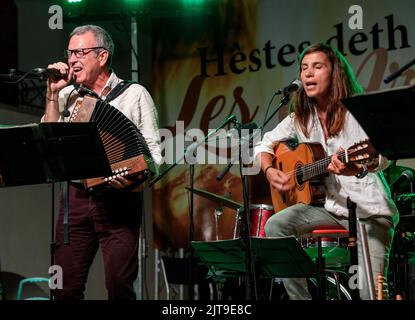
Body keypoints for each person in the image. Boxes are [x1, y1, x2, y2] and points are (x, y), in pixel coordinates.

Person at [254, 43, 398, 300]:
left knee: (370, 294)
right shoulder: (301, 117)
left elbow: (383, 156)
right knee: (275, 225)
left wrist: (356, 168)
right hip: (329, 209)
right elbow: (264, 143)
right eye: (304, 68)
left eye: (317, 67)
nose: (308, 74)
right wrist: (268, 170)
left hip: (369, 211)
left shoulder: (357, 110)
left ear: (335, 73)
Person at [42, 25, 162, 299]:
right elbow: (48, 144)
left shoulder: (134, 95)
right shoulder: (66, 96)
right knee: (63, 286)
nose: (72, 60)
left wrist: (133, 179)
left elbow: (154, 155)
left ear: (102, 57)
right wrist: (51, 93)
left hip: (120, 201)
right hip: (75, 198)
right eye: (70, 53)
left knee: (119, 286)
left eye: (80, 52)